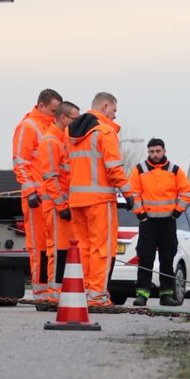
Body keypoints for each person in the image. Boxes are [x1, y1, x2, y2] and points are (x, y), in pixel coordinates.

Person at [66, 92, 134, 306]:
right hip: (100, 200)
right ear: (105, 107)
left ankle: (86, 293)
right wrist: (129, 193)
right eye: (114, 110)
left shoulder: (71, 132)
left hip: (77, 200)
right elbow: (114, 169)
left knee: (83, 249)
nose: (115, 115)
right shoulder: (104, 132)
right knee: (101, 249)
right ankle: (98, 296)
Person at [130, 138, 190, 306]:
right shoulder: (139, 170)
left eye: (158, 151)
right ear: (148, 152)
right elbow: (133, 194)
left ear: (164, 151)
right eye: (151, 152)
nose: (155, 155)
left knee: (167, 259)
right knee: (146, 259)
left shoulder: (175, 170)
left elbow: (187, 193)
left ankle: (166, 295)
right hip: (148, 223)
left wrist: (177, 213)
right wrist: (141, 215)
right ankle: (142, 294)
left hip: (168, 222)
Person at [12, 88, 63, 302]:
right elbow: (20, 161)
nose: (55, 114)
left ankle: (52, 291)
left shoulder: (53, 126)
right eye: (52, 110)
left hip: (52, 197)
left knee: (53, 246)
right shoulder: (28, 126)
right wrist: (31, 190)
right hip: (36, 198)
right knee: (40, 247)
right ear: (41, 105)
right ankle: (41, 293)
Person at [38, 100, 80, 303]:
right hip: (56, 208)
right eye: (75, 118)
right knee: (57, 251)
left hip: (65, 206)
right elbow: (50, 177)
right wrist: (62, 205)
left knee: (65, 251)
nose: (77, 122)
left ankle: (61, 293)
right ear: (63, 118)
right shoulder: (50, 141)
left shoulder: (63, 139)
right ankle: (54, 295)